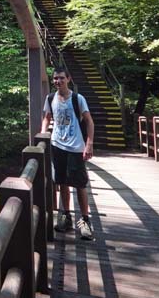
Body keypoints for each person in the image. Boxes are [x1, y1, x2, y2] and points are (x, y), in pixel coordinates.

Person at [41, 66, 95, 240]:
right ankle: (66, 216)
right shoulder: (50, 98)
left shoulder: (78, 99)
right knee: (62, 182)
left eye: (61, 78)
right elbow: (47, 118)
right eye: (55, 78)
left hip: (76, 146)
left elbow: (89, 121)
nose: (58, 81)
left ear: (68, 79)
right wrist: (43, 135)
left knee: (79, 184)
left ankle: (85, 221)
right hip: (57, 145)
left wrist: (89, 144)